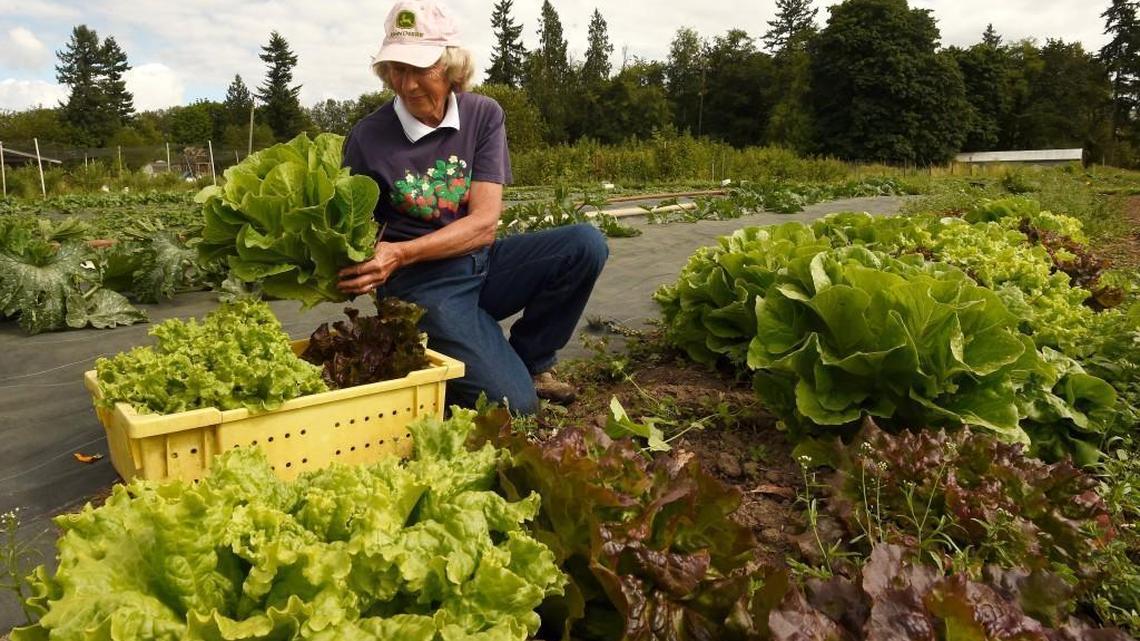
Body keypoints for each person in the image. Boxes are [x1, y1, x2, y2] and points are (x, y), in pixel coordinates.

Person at [338, 0, 609, 415]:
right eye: (397, 68)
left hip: (481, 262)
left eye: (419, 69)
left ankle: (531, 361)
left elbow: (484, 224)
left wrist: (401, 250)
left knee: (585, 244)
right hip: (421, 288)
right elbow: (352, 229)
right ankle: (460, 355)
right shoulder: (367, 137)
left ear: (449, 67)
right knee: (515, 407)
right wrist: (368, 263)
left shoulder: (483, 115)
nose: (407, 84)